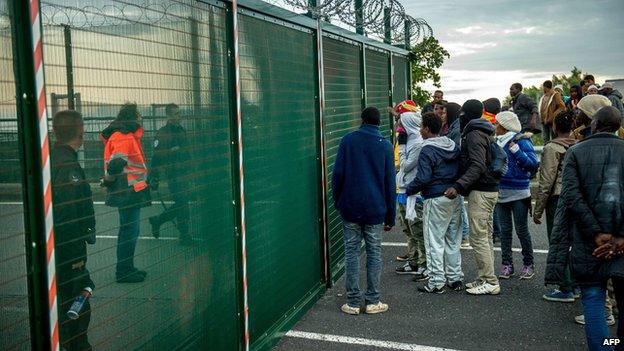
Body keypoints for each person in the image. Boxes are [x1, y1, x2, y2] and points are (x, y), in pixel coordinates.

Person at [545, 106, 624, 351]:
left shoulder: (576, 152)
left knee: (592, 298)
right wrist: (620, 236)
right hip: (621, 242)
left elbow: (571, 197)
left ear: (595, 124)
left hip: (587, 239)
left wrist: (597, 233)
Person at [332, 106, 395, 315]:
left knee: (351, 252)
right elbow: (389, 183)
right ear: (379, 122)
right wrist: (390, 216)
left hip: (350, 206)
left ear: (362, 120)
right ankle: (372, 300)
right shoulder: (385, 145)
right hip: (375, 208)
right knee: (374, 253)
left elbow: (338, 174)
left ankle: (352, 302)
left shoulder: (348, 140)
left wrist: (338, 201)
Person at [443, 99, 501, 295]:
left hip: (481, 191)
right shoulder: (485, 131)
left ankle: (490, 281)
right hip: (490, 189)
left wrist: (458, 186)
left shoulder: (474, 134)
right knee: (486, 236)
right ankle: (485, 277)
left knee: (478, 238)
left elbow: (477, 165)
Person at [51, 110, 96, 351]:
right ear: (80, 131)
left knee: (67, 291)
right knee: (81, 291)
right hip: (71, 246)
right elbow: (69, 211)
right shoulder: (69, 166)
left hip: (58, 245)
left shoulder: (53, 158)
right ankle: (78, 343)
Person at [406, 112, 463, 293]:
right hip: (454, 196)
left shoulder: (427, 149)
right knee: (453, 240)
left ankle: (436, 281)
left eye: (422, 127)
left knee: (433, 242)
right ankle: (455, 278)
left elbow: (423, 178)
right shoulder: (452, 145)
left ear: (427, 129)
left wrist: (409, 188)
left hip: (435, 198)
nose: (420, 130)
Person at [101, 103, 151, 283]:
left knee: (127, 230)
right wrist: (108, 179)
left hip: (127, 189)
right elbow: (116, 164)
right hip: (127, 190)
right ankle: (123, 271)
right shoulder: (123, 136)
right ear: (132, 116)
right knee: (130, 230)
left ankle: (126, 267)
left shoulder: (123, 134)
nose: (140, 119)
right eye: (138, 115)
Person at [534, 110, 577, 302]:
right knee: (575, 243)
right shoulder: (578, 145)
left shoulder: (552, 148)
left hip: (557, 198)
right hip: (576, 197)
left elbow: (546, 182)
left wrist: (538, 209)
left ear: (554, 127)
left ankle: (565, 287)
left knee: (558, 242)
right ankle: (576, 285)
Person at [493, 111, 539, 280]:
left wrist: (517, 151)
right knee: (505, 231)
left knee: (522, 231)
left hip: (520, 192)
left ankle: (528, 264)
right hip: (501, 191)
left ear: (504, 127)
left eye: (497, 124)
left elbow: (533, 164)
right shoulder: (496, 142)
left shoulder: (522, 141)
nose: (494, 126)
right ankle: (507, 265)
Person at [148, 104, 192, 246]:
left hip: (183, 173)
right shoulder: (163, 133)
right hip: (173, 174)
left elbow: (187, 153)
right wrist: (154, 177)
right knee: (182, 203)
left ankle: (160, 222)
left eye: (179, 113)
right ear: (168, 116)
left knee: (183, 204)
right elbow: (156, 157)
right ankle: (183, 235)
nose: (178, 116)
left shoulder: (181, 130)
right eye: (175, 114)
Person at [393, 101, 427, 281]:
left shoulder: (416, 144)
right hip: (402, 190)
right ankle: (413, 260)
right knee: (407, 229)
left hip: (414, 193)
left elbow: (405, 165)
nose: (398, 126)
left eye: (400, 122)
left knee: (418, 229)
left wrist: (403, 147)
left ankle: (424, 263)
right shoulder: (406, 141)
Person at [442, 103, 470, 247]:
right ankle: (463, 234)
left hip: (456, 171)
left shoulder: (456, 128)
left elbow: (454, 149)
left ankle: (464, 235)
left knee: (458, 204)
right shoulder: (452, 127)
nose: (442, 115)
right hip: (455, 170)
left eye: (445, 112)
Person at [482, 97, 502, 245]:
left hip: (487, 164)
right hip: (499, 164)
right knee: (496, 204)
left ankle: (494, 231)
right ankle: (498, 232)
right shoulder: (499, 121)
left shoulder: (483, 119)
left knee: (489, 206)